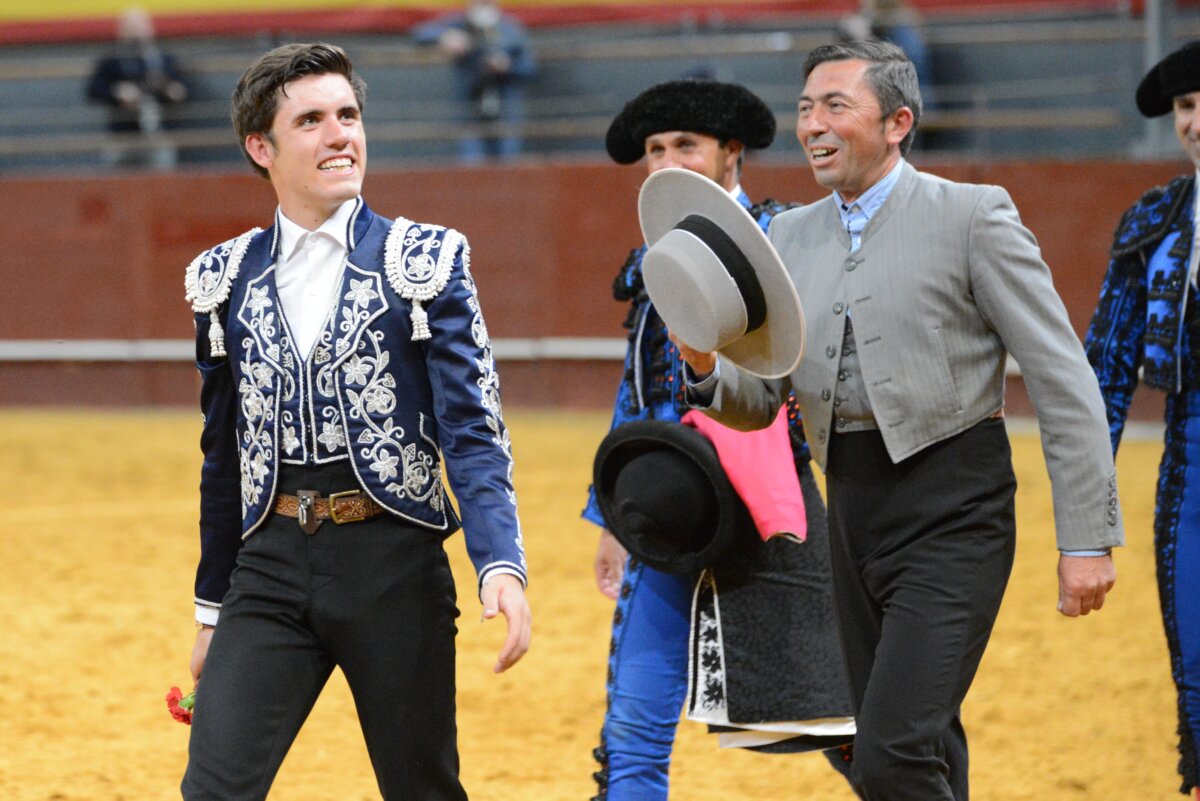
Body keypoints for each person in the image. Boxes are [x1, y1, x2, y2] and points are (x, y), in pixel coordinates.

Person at [673, 41, 1123, 800]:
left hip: (957, 506)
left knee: (891, 747)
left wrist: (1085, 537)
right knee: (921, 738)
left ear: (897, 122)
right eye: (806, 106)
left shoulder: (974, 215)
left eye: (835, 106)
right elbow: (761, 401)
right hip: (850, 507)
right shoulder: (787, 238)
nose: (812, 123)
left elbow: (1062, 376)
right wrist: (705, 364)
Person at [179, 42, 530, 800]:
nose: (340, 134)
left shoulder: (423, 260)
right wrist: (213, 605)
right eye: (311, 120)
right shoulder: (224, 278)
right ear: (260, 147)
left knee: (421, 788)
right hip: (268, 565)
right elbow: (224, 456)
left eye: (348, 114)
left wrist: (498, 559)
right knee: (212, 789)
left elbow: (474, 429)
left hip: (393, 564)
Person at [583, 78, 856, 801]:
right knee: (633, 726)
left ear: (731, 152)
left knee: (838, 713)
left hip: (772, 508)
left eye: (686, 146)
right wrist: (610, 514)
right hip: (666, 505)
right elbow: (635, 390)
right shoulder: (656, 261)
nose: (667, 161)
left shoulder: (787, 236)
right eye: (654, 150)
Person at [1085, 39, 1200, 800]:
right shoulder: (1156, 222)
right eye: (1187, 108)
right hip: (1191, 472)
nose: (1195, 122)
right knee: (1197, 680)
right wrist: (1085, 519)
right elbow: (1104, 375)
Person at [412, 1, 536, 163]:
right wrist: (445, 36)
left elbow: (530, 67)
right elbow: (420, 34)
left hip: (505, 108)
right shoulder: (459, 24)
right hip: (469, 107)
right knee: (471, 164)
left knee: (508, 165)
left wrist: (507, 66)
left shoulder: (510, 28)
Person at [85, 7, 189, 170]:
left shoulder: (163, 59)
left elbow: (182, 88)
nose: (136, 33)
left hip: (157, 134)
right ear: (121, 31)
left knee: (162, 181)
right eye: (130, 27)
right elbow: (93, 90)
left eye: (139, 27)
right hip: (122, 135)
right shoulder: (112, 60)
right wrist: (117, 92)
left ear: (150, 29)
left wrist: (170, 90)